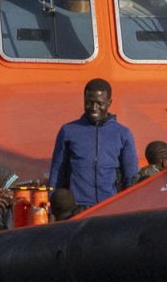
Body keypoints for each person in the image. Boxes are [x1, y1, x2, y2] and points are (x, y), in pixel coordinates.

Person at [48, 78, 139, 211]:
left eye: (99, 103)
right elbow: (57, 172)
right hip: (76, 208)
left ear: (109, 103)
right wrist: (52, 207)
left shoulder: (122, 134)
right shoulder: (68, 131)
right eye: (89, 103)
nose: (94, 108)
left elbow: (131, 176)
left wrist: (130, 208)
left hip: (110, 206)